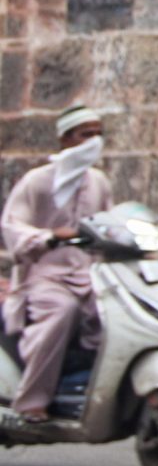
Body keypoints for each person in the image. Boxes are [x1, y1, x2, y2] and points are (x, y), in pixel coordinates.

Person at [2, 105, 113, 422]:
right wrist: (48, 236)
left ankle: (90, 391)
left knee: (117, 314)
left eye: (98, 134)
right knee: (62, 312)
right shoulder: (36, 181)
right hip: (43, 277)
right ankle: (32, 401)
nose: (94, 141)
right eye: (85, 135)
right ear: (66, 140)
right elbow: (13, 227)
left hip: (88, 275)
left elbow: (110, 223)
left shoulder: (99, 183)